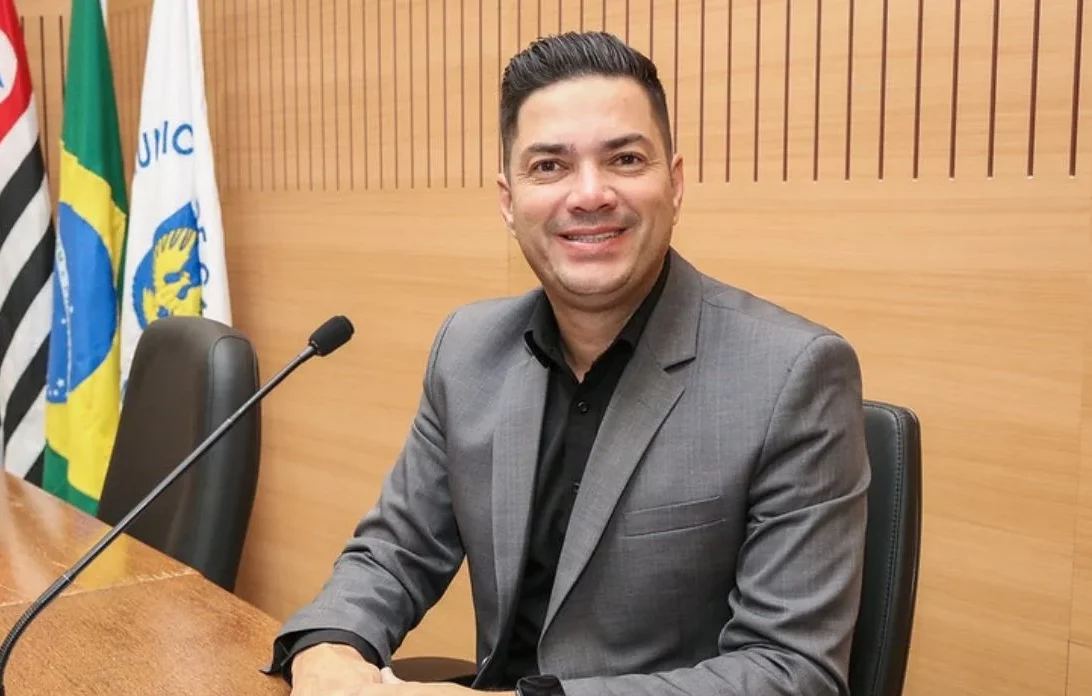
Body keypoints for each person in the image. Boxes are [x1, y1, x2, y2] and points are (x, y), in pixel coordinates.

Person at [265, 30, 870, 696]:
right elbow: (394, 552)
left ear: (674, 183)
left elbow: (792, 672)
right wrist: (329, 645)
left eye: (625, 159)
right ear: (508, 201)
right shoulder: (468, 349)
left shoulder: (792, 375)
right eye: (550, 166)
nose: (589, 194)